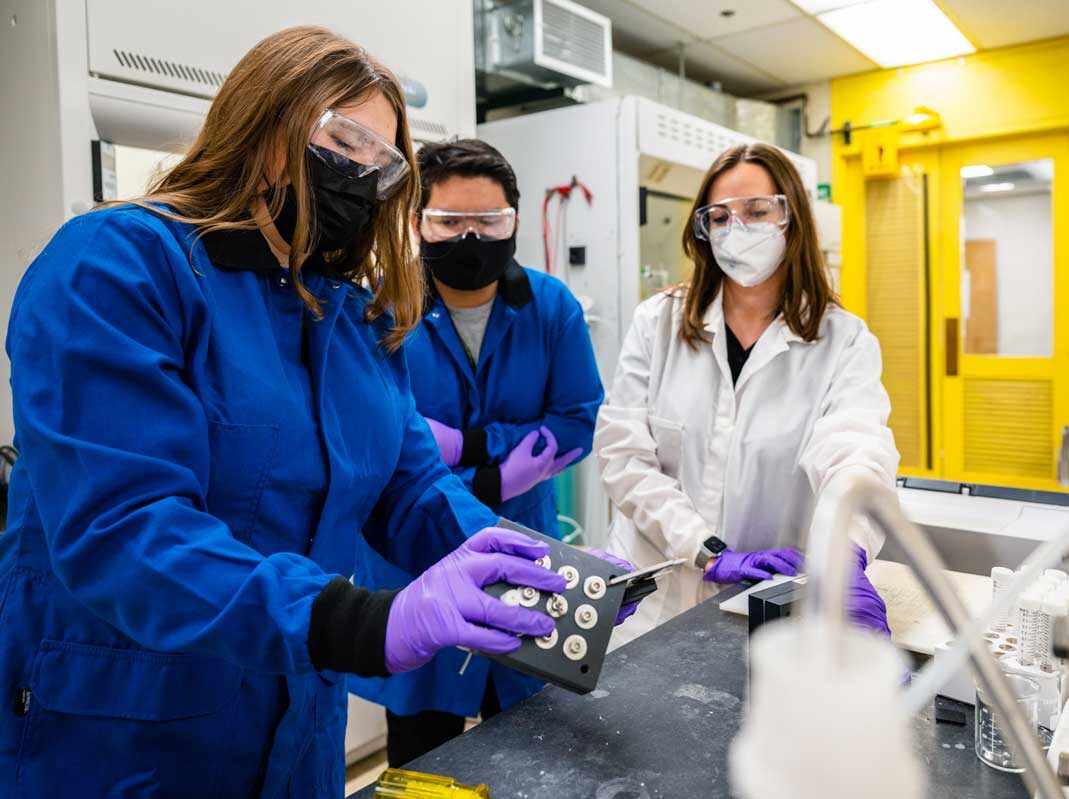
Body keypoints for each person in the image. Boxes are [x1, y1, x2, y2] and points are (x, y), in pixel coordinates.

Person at [0, 27, 628, 798]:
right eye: (344, 140)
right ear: (264, 123)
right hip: (129, 733)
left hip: (299, 726)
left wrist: (548, 574)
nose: (360, 175)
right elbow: (124, 526)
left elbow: (414, 489)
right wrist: (361, 622)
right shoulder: (117, 266)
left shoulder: (348, 316)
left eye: (382, 162)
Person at [350, 139, 608, 766]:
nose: (471, 238)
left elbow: (574, 423)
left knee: (531, 744)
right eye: (449, 222)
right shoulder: (378, 307)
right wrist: (505, 454)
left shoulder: (552, 308)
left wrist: (469, 454)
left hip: (524, 544)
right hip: (413, 563)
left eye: (489, 222)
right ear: (418, 223)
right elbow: (378, 438)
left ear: (513, 221)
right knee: (421, 751)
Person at [595, 142, 899, 646]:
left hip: (763, 605)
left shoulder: (843, 340)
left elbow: (855, 451)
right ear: (703, 230)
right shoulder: (658, 322)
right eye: (718, 217)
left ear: (791, 218)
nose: (736, 229)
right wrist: (708, 550)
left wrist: (843, 553)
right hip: (650, 603)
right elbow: (623, 455)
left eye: (756, 211)